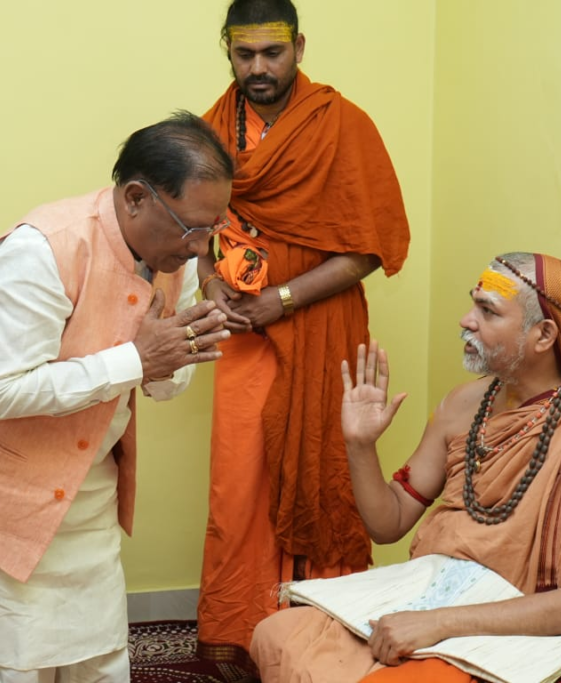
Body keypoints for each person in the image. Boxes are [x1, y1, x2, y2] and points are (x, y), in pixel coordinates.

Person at [0, 111, 234, 683]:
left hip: (86, 491)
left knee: (100, 663)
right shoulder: (43, 249)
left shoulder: (176, 255)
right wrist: (137, 359)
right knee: (18, 669)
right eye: (191, 228)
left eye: (214, 227)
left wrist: (173, 359)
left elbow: (160, 382)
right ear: (135, 198)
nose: (202, 246)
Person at [250, 252, 561, 682]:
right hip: (436, 593)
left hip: (515, 620)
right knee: (276, 635)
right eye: (472, 305)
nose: (466, 320)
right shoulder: (463, 404)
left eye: (488, 310)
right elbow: (389, 523)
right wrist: (360, 446)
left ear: (543, 335)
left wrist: (439, 624)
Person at [196, 0, 411, 661]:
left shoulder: (343, 125)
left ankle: (324, 630)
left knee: (322, 470)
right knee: (240, 480)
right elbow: (194, 229)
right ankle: (238, 627)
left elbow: (369, 247)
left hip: (322, 326)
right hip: (244, 333)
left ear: (299, 47)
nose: (258, 67)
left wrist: (283, 299)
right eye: (244, 54)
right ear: (227, 51)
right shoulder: (209, 133)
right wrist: (208, 285)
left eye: (273, 52)